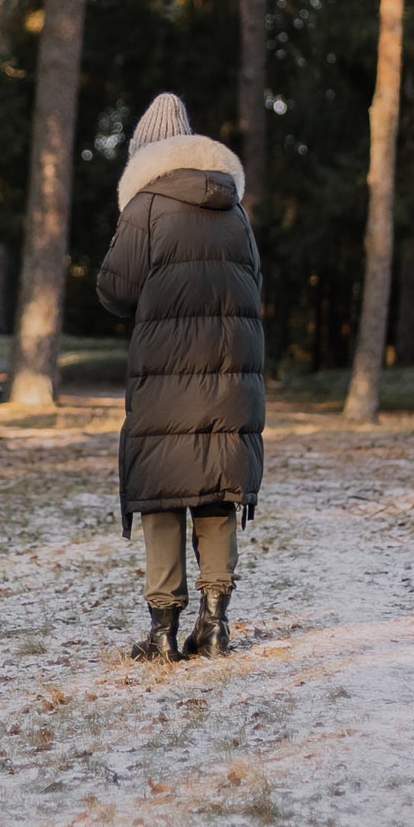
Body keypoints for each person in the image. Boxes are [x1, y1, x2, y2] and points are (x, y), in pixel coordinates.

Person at [95, 93, 265, 661]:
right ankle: (214, 626)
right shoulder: (234, 208)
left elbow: (115, 292)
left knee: (163, 493)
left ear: (145, 154)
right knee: (218, 490)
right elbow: (254, 282)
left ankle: (163, 632)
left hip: (165, 375)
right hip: (231, 373)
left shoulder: (144, 207)